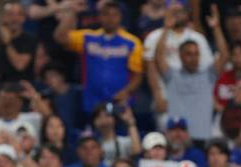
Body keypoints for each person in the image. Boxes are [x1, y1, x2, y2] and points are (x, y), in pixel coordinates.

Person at [146, 2, 223, 134]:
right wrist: (157, 94)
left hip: (192, 91)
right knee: (170, 128)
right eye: (172, 11)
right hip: (166, 92)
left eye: (180, 11)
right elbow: (151, 66)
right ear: (166, 12)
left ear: (187, 13)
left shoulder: (197, 38)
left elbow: (207, 68)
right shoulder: (154, 36)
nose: (176, 15)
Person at [54, 1, 143, 114]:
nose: (110, 18)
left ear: (120, 17)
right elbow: (60, 37)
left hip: (120, 102)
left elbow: (138, 75)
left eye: (114, 15)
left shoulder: (132, 42)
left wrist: (126, 91)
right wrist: (72, 12)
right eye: (106, 14)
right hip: (92, 101)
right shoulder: (89, 38)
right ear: (100, 17)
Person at [0, 2, 37, 96]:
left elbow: (19, 65)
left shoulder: (29, 40)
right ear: (3, 17)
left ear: (23, 18)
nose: (14, 19)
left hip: (20, 91)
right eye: (10, 14)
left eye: (19, 15)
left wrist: (8, 43)